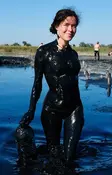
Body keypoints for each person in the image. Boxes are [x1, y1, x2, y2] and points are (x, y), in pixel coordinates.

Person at [19, 8, 84, 168]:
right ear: (56, 26)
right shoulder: (44, 52)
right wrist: (31, 110)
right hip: (52, 109)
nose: (70, 29)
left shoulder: (74, 54)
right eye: (66, 25)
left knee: (69, 159)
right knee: (54, 157)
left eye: (74, 26)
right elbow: (37, 84)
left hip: (75, 108)